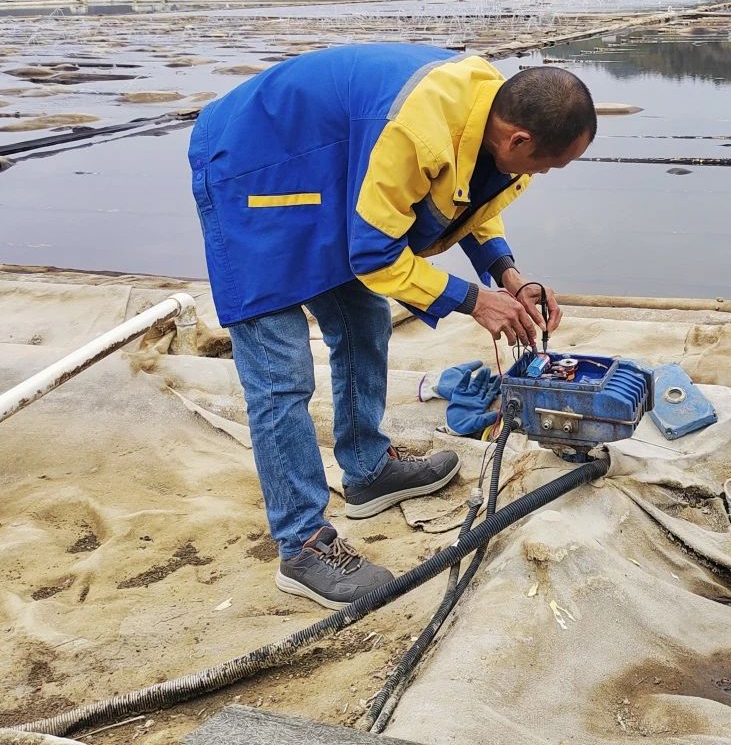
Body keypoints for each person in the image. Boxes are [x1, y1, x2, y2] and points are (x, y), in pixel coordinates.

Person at [188, 43, 595, 609]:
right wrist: (472, 300)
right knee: (281, 375)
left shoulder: (488, 111)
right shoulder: (418, 130)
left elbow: (470, 192)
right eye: (547, 165)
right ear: (519, 141)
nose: (544, 175)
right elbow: (376, 257)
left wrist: (507, 274)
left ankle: (367, 469)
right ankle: (302, 544)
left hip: (331, 165)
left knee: (362, 319)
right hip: (251, 165)